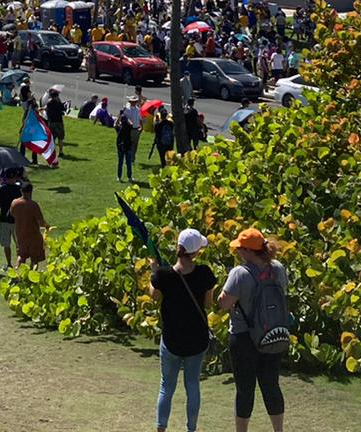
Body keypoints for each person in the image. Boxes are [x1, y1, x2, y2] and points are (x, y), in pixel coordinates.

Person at [216, 228, 289, 432]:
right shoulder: (278, 269)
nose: (238, 252)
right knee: (271, 385)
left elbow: (224, 303)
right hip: (272, 334)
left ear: (248, 251)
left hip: (244, 337)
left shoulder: (240, 273)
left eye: (240, 248)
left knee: (245, 390)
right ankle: (278, 430)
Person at [150, 229, 216, 432]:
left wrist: (153, 271)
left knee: (166, 387)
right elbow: (208, 304)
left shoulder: (163, 274)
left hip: (171, 339)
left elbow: (153, 295)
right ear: (195, 252)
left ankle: (161, 428)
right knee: (192, 386)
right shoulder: (204, 273)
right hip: (197, 340)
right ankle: (191, 429)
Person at [8, 181, 48, 266]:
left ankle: (16, 273)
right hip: (33, 235)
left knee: (21, 256)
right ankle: (31, 277)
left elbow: (12, 214)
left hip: (20, 234)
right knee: (35, 258)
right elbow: (41, 223)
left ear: (21, 191)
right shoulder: (33, 205)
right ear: (31, 192)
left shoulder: (14, 203)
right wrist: (47, 226)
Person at [0, 168, 23, 269]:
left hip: (4, 220)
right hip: (16, 220)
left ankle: (9, 263)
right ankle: (19, 264)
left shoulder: (3, 189)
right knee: (18, 243)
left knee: (6, 244)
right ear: (15, 178)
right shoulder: (19, 190)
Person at [115, 110, 136, 183]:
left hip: (120, 147)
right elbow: (131, 123)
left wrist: (119, 116)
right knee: (128, 163)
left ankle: (119, 177)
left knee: (120, 163)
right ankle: (129, 177)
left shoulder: (119, 128)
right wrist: (128, 118)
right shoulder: (128, 127)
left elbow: (115, 124)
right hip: (128, 146)